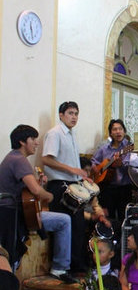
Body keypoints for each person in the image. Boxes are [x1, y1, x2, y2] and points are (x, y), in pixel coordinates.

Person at [0, 124, 74, 289]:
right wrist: (49, 195)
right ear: (22, 141)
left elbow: (27, 190)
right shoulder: (19, 160)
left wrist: (39, 185)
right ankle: (60, 268)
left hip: (15, 211)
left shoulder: (12, 157)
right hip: (13, 215)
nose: (36, 143)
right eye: (33, 139)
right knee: (64, 220)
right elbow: (35, 191)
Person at [42, 101, 89, 274]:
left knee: (77, 226)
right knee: (68, 228)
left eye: (76, 113)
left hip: (72, 185)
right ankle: (64, 267)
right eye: (70, 113)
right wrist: (72, 170)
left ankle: (76, 266)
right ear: (61, 115)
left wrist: (80, 175)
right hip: (60, 186)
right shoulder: (55, 133)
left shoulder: (71, 134)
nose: (74, 117)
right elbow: (47, 159)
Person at [91, 119, 133, 222]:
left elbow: (133, 163)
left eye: (120, 129)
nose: (118, 132)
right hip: (107, 189)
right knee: (108, 218)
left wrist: (122, 164)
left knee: (124, 218)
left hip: (124, 188)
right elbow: (93, 161)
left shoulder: (129, 147)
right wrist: (96, 168)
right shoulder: (104, 149)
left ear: (124, 131)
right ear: (110, 133)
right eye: (115, 129)